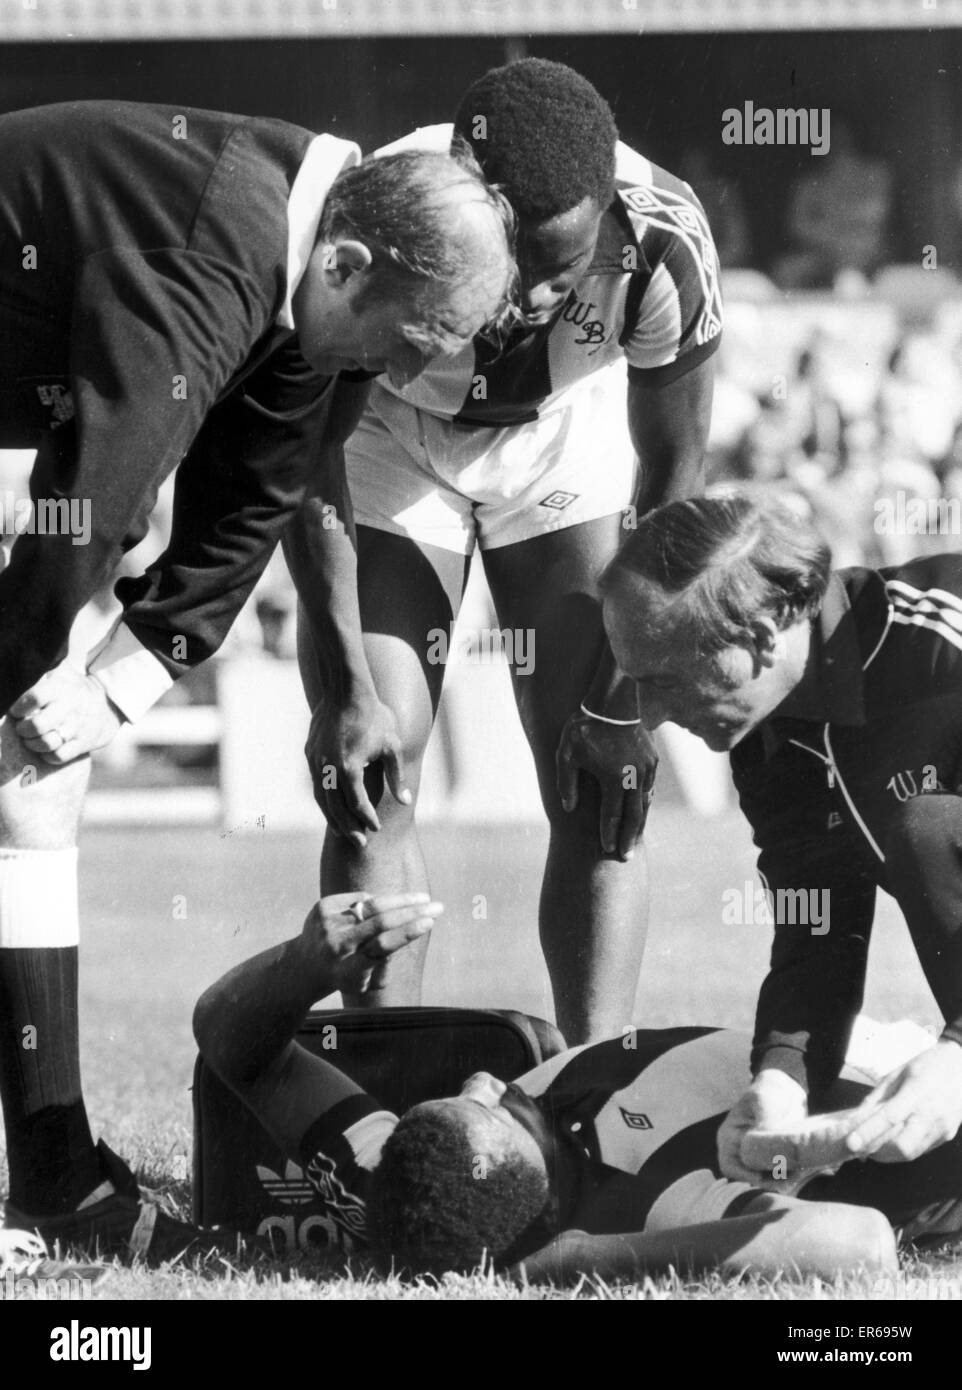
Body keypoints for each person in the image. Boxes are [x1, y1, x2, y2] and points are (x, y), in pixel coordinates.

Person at [0, 98, 515, 1263]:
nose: (398, 374)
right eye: (401, 343)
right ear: (347, 265)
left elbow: (243, 516)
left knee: (35, 789)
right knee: (23, 773)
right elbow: (97, 517)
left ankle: (54, 1183)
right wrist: (28, 690)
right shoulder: (211, 255)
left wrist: (112, 689)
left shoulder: (314, 271)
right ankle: (52, 1181)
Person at [286, 59, 722, 1044]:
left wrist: (621, 706)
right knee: (370, 771)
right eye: (506, 261)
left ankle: (590, 1082)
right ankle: (377, 1083)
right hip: (386, 430)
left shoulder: (665, 246)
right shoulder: (385, 211)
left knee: (600, 782)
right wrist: (345, 685)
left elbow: (669, 484)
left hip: (558, 440)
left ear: (609, 212)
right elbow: (304, 459)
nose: (522, 298)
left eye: (559, 274)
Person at [191, 891, 962, 1282]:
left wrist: (303, 965)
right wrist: (577, 1261)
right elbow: (856, 1246)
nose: (488, 1075)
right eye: (499, 1101)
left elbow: (237, 1048)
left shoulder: (395, 1186)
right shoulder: (646, 1194)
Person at [599, 488, 962, 1191]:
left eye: (663, 680)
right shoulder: (770, 747)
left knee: (925, 829)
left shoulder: (941, 643)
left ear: (760, 639)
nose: (648, 717)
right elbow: (817, 935)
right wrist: (780, 1082)